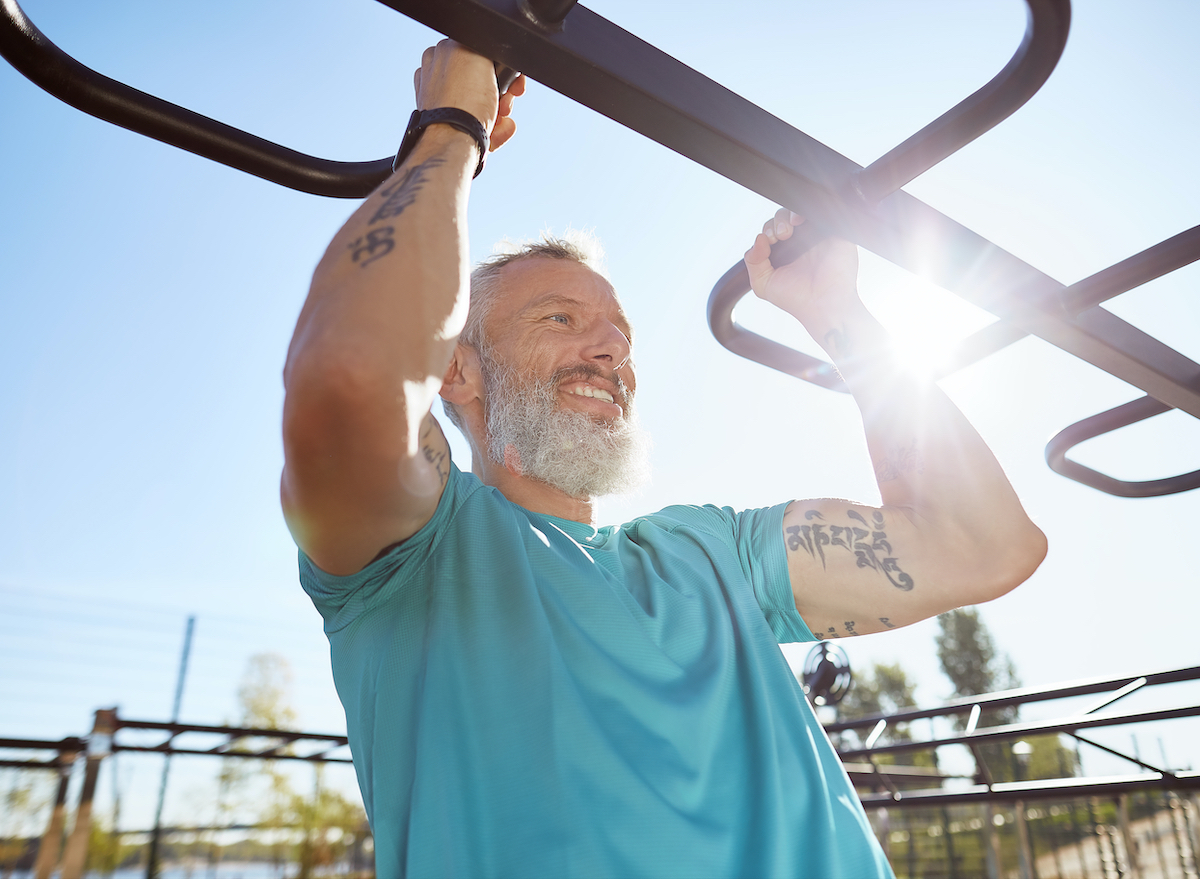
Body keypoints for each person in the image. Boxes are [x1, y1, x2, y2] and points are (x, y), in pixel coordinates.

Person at [281, 40, 1047, 878]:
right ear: (456, 369)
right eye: (560, 320)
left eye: (620, 334)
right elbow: (353, 374)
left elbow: (985, 543)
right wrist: (451, 128)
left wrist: (841, 315)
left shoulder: (712, 554)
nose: (610, 347)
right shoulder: (416, 556)